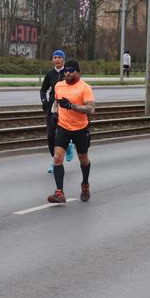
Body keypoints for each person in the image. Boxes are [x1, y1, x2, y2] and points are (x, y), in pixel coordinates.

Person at [47, 59, 95, 203]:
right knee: (57, 158)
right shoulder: (59, 86)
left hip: (80, 128)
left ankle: (85, 184)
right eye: (65, 71)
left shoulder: (84, 88)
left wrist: (72, 106)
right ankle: (59, 192)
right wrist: (55, 113)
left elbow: (91, 109)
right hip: (63, 127)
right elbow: (56, 103)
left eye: (70, 71)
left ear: (77, 72)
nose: (67, 73)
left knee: (83, 159)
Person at [40, 50, 75, 173]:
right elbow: (43, 89)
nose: (57, 59)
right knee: (50, 136)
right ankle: (56, 156)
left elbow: (76, 87)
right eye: (55, 57)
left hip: (65, 107)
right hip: (53, 107)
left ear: (63, 59)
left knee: (61, 134)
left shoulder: (69, 73)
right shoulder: (50, 74)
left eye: (59, 57)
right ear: (52, 60)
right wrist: (44, 101)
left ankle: (67, 148)